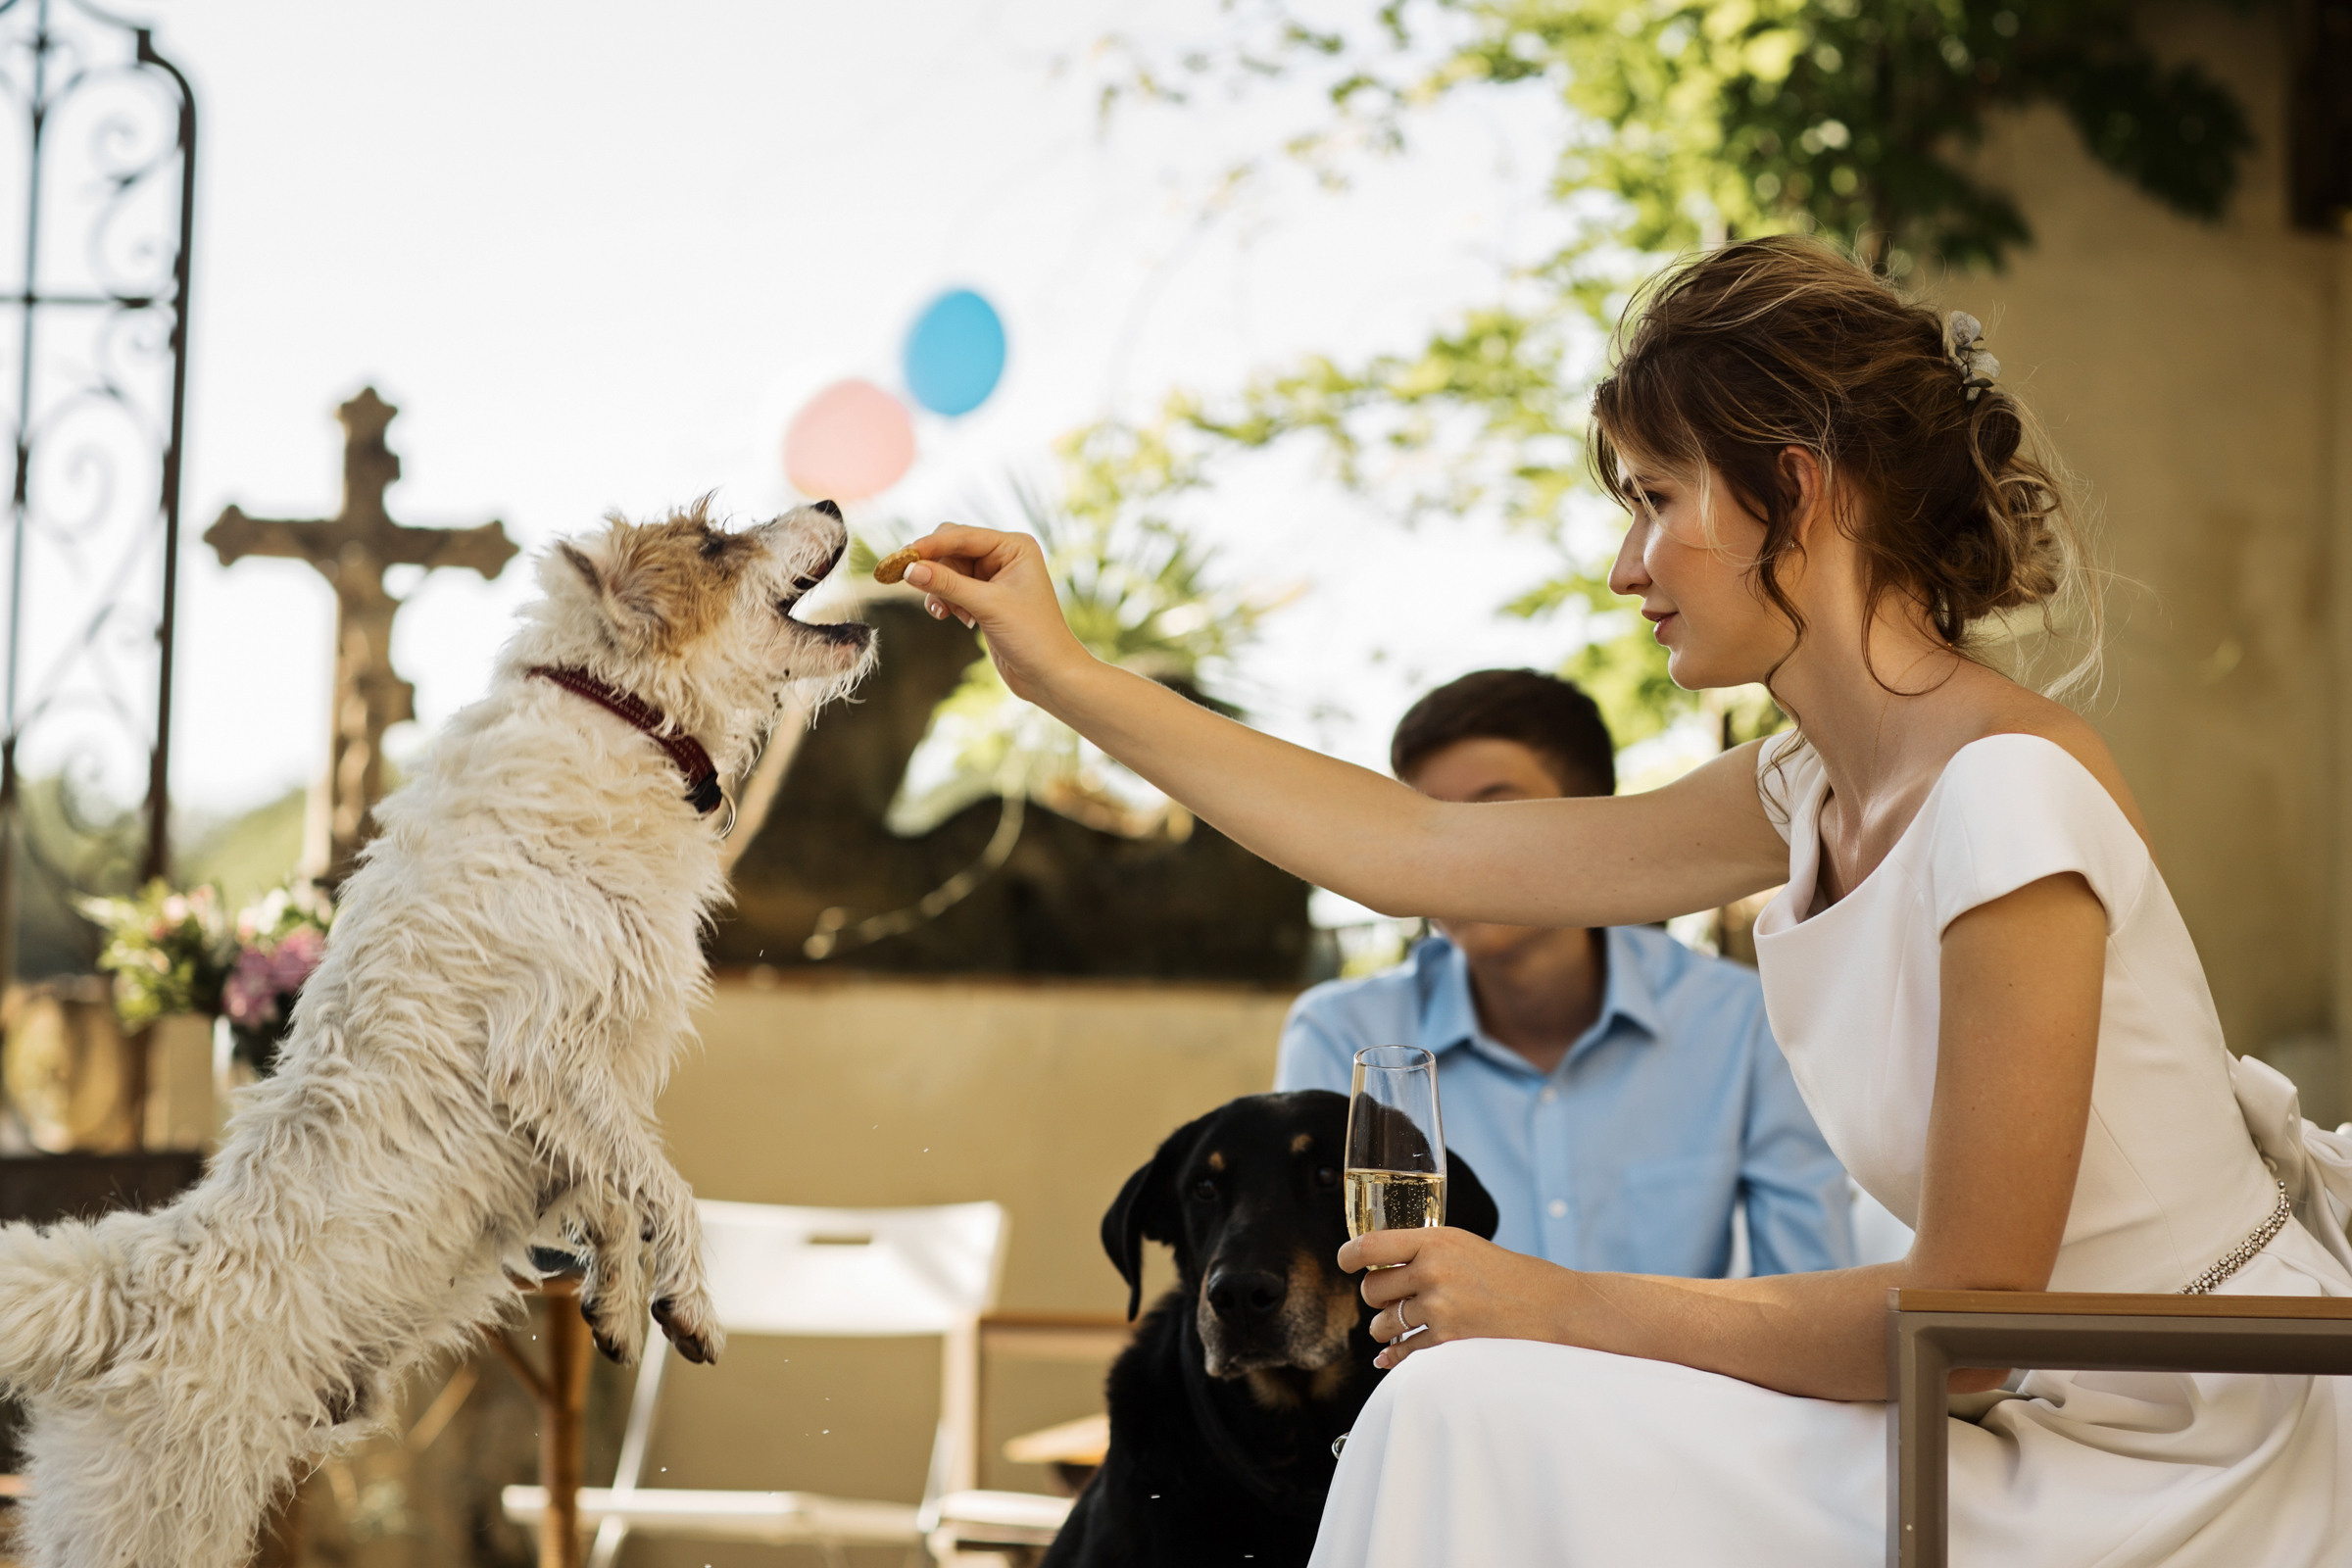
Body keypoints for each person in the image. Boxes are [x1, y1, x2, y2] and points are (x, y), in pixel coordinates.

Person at [893, 235, 2352, 1566]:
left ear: (1797, 486)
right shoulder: (1808, 792)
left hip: (2185, 1449)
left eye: (1657, 502)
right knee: (1454, 1412)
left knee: (1463, 1410)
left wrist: (1545, 1300)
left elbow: (1968, 1325)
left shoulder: (2006, 797)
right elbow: (1415, 852)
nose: (1624, 565)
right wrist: (1065, 675)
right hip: (2005, 1417)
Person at [1275, 667, 1853, 1277]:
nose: (1448, 857)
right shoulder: (1342, 1036)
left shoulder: (1744, 1022)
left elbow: (1808, 1283)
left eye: (1493, 812)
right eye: (1426, 825)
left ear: (1591, 824)